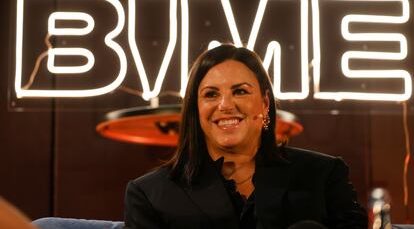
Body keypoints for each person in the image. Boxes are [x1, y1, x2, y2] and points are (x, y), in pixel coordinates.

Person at [124, 44, 368, 229]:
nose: (225, 105)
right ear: (195, 110)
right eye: (211, 94)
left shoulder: (324, 175)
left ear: (264, 104)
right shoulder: (149, 194)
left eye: (240, 91)